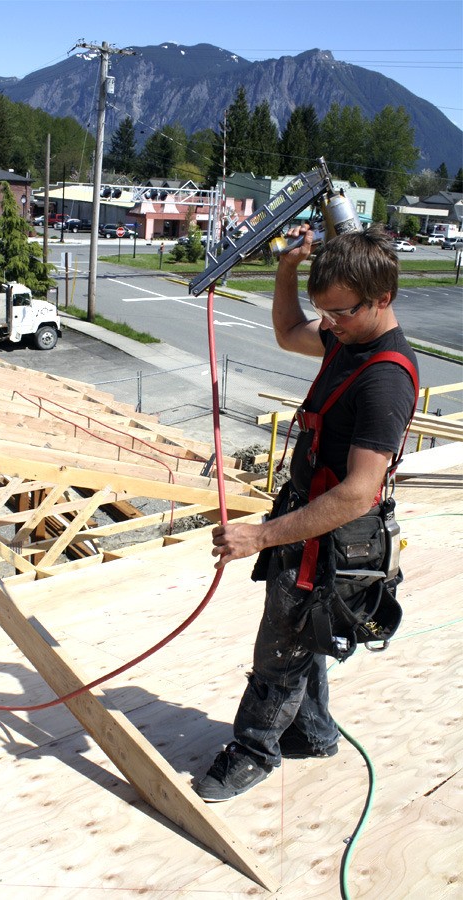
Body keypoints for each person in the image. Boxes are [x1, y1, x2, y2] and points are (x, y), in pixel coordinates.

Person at [195, 224, 419, 802]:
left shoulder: (386, 380)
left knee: (281, 647)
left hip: (333, 537)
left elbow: (357, 493)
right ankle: (315, 733)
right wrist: (289, 266)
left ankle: (253, 751)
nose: (330, 324)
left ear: (383, 299)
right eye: (328, 312)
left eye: (340, 313)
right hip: (307, 520)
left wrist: (260, 537)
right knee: (302, 632)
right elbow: (290, 332)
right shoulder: (349, 337)